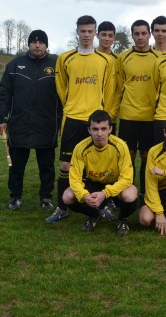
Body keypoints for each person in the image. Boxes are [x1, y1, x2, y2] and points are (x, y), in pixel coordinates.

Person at [46, 15, 117, 223]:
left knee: (98, 166)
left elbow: (109, 91)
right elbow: (62, 88)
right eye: (82, 31)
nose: (86, 35)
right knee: (67, 166)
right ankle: (62, 207)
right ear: (77, 32)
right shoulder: (65, 58)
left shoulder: (105, 61)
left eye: (90, 31)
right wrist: (72, 105)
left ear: (95, 33)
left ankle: (101, 206)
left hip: (95, 121)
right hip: (73, 118)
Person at [0, 29, 61, 212]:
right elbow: (4, 94)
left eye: (41, 42)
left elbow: (66, 95)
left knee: (46, 165)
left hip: (47, 123)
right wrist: (1, 118)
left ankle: (46, 197)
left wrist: (61, 119)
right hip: (19, 123)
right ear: (29, 44)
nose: (37, 45)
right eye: (34, 42)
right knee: (16, 165)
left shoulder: (57, 64)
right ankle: (15, 197)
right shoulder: (15, 65)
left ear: (46, 45)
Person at [63, 110, 138, 233]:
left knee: (130, 194)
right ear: (89, 130)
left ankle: (122, 219)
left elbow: (127, 178)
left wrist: (105, 193)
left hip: (115, 184)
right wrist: (84, 195)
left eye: (103, 129)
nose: (99, 133)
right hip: (93, 183)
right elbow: (74, 178)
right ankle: (94, 215)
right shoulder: (80, 148)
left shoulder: (120, 146)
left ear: (110, 129)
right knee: (68, 196)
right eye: (95, 129)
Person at [117, 19, 166, 194]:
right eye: (136, 34)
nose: (140, 37)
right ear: (132, 35)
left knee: (148, 157)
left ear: (149, 34)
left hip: (150, 117)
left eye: (144, 33)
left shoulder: (160, 59)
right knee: (126, 157)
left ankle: (146, 193)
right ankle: (123, 193)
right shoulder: (123, 57)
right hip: (128, 116)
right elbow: (117, 86)